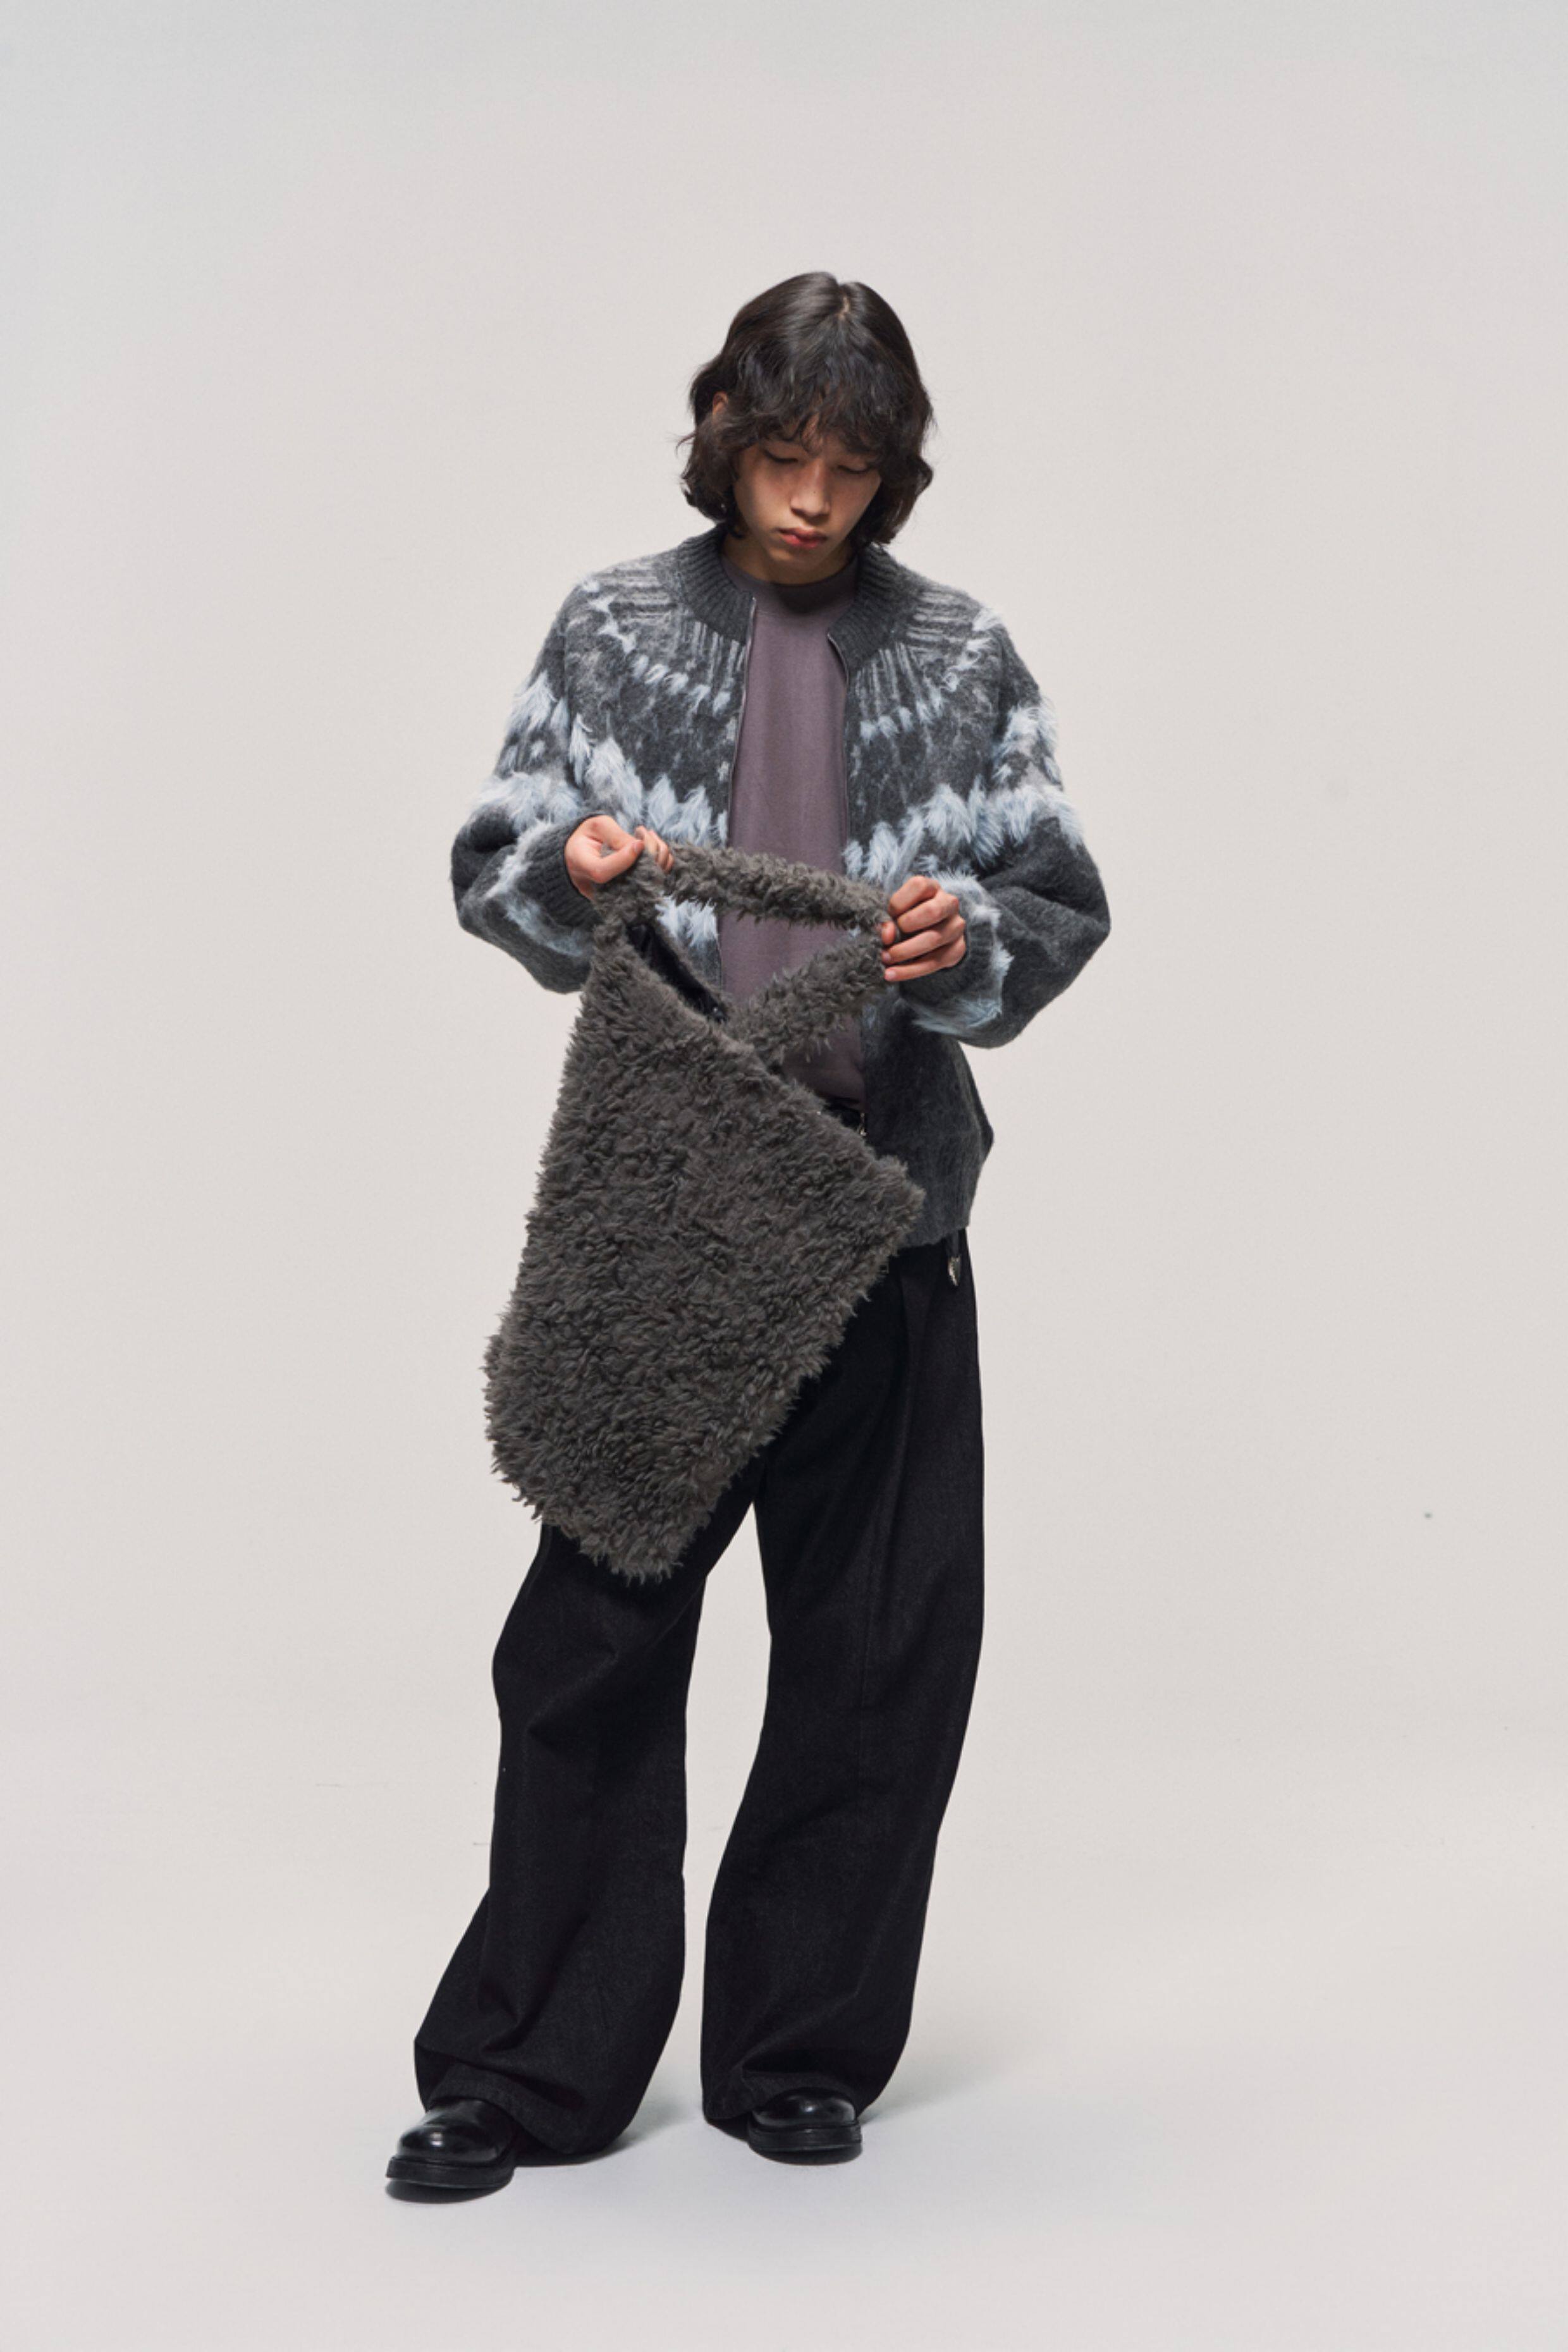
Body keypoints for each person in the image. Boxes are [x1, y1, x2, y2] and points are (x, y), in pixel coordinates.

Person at [387, 272, 1110, 2193]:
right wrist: (575, 872)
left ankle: (798, 2052)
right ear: (723, 434)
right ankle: (525, 2072)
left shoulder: (962, 652)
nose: (811, 500)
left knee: (875, 1654)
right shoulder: (615, 629)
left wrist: (967, 942)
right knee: (591, 1646)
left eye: (850, 469)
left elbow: (1057, 900)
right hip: (675, 1207)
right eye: (784, 456)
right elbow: (495, 863)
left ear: (892, 475)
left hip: (888, 1212)